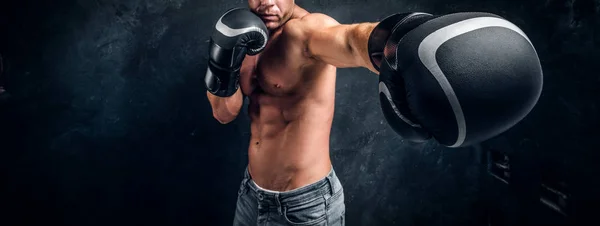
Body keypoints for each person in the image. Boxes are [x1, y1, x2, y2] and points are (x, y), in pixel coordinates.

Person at [204, 0, 542, 225]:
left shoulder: (307, 33)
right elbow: (224, 113)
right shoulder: (240, 34)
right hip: (251, 194)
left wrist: (401, 39)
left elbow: (351, 40)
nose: (268, 3)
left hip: (304, 207)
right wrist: (222, 62)